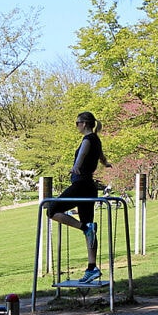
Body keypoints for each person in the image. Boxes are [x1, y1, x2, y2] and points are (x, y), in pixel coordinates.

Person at [45, 111, 112, 284]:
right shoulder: (96, 139)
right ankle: (92, 268)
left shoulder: (88, 140)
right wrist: (106, 164)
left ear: (84, 123)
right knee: (91, 226)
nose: (76, 126)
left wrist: (76, 166)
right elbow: (101, 156)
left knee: (52, 210)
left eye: (77, 123)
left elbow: (82, 153)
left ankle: (83, 228)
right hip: (90, 186)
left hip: (81, 184)